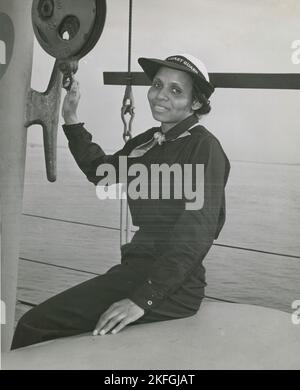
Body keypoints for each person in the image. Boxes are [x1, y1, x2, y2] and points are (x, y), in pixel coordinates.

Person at [11, 54, 230, 350]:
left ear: (196, 104)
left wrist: (143, 300)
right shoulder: (149, 141)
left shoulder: (204, 148)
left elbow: (195, 233)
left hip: (174, 288)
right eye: (157, 84)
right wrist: (71, 118)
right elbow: (101, 173)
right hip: (136, 272)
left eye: (176, 90)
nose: (160, 95)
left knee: (33, 325)